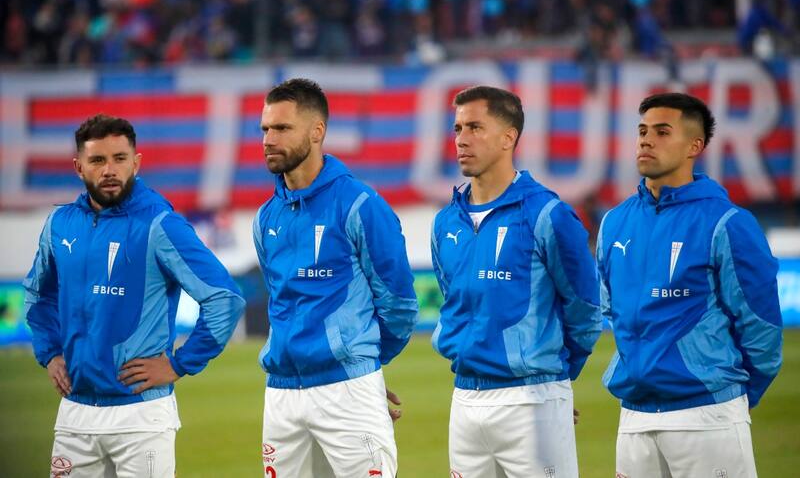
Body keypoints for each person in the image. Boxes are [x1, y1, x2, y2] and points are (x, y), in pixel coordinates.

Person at [23, 114, 245, 478]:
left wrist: (179, 363)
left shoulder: (160, 223)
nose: (110, 169)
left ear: (136, 162)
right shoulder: (60, 223)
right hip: (75, 412)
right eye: (98, 160)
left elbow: (225, 298)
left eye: (120, 159)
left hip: (141, 416)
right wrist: (50, 353)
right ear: (79, 167)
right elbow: (38, 293)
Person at [597, 92, 783, 478]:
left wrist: (728, 400)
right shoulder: (614, 222)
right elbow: (609, 308)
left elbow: (761, 327)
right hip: (634, 417)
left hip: (707, 416)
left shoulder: (727, 223)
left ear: (694, 146)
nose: (646, 140)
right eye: (642, 130)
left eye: (662, 132)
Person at [430, 85, 602, 478]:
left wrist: (554, 378)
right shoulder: (445, 223)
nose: (461, 139)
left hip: (532, 399)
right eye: (457, 128)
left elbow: (585, 310)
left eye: (475, 127)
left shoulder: (548, 215)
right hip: (465, 400)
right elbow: (455, 301)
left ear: (509, 137)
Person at [253, 78, 418, 478]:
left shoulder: (360, 204)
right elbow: (279, 299)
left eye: (282, 128)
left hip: (347, 392)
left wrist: (365, 365)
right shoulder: (265, 217)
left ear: (317, 131)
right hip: (280, 395)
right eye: (265, 129)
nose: (268, 139)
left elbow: (399, 304)